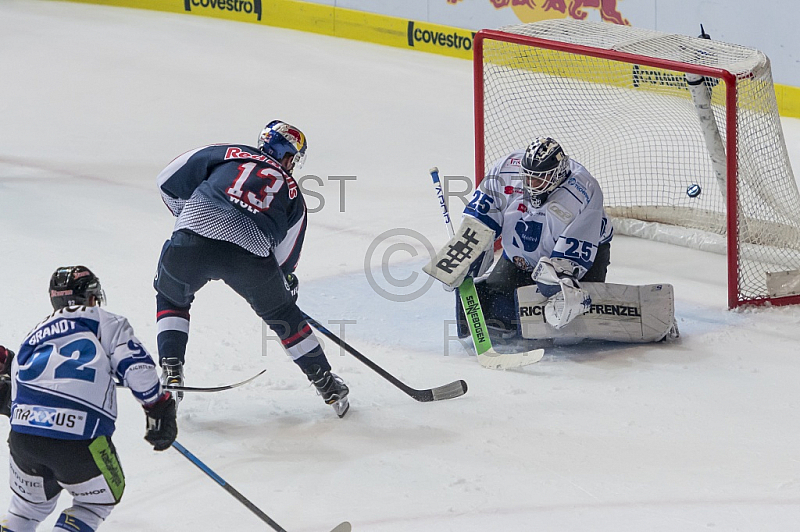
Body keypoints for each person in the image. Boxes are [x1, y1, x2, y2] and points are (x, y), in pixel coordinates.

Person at [153, 120, 349, 417]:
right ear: (287, 156)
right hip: (248, 256)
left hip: (191, 239)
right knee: (283, 315)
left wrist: (188, 220)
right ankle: (327, 384)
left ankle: (171, 369)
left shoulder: (229, 153)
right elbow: (284, 262)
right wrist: (285, 289)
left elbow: (167, 179)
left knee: (171, 299)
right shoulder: (294, 194)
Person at [0, 266, 177, 532]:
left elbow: (17, 385)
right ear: (91, 297)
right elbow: (137, 368)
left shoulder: (33, 335)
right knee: (95, 503)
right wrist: (157, 406)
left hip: (23, 439)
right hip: (80, 440)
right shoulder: (106, 322)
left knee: (25, 510)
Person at [425, 137, 613, 335]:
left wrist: (562, 285)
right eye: (528, 177)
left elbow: (574, 252)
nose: (531, 184)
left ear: (557, 174)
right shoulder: (507, 169)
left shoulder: (584, 190)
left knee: (565, 306)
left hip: (582, 255)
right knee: (498, 310)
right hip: (520, 255)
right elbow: (480, 219)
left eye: (539, 179)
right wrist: (465, 255)